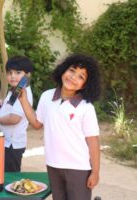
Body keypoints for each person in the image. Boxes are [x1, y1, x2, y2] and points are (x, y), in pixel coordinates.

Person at [19, 53, 101, 200]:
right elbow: (37, 123)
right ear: (63, 70)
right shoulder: (46, 96)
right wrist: (24, 99)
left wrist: (95, 172)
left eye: (81, 76)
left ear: (86, 84)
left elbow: (93, 142)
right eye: (72, 70)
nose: (73, 77)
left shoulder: (86, 107)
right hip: (53, 164)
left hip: (78, 168)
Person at [0, 56, 34, 172]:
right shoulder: (15, 89)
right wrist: (2, 103)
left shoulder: (23, 93)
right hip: (6, 142)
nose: (12, 76)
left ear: (27, 75)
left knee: (10, 176)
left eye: (18, 72)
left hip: (13, 145)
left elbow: (14, 118)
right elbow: (11, 106)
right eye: (9, 73)